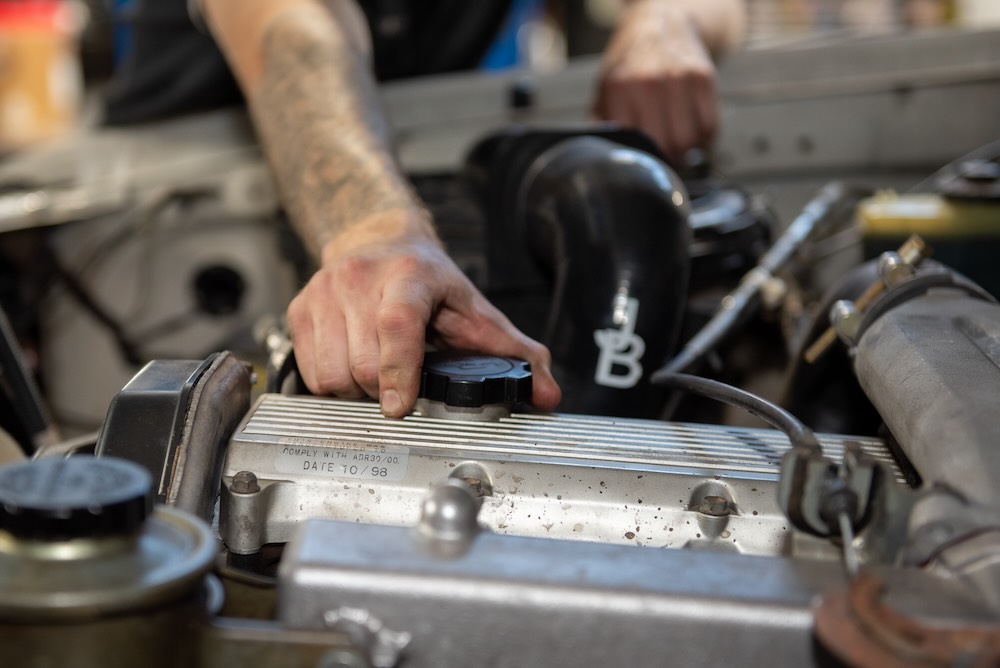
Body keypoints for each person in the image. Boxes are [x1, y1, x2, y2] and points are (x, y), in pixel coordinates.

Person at [108, 0, 745, 418]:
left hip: (431, 171)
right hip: (173, 220)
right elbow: (294, 29)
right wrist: (376, 230)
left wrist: (668, 20)